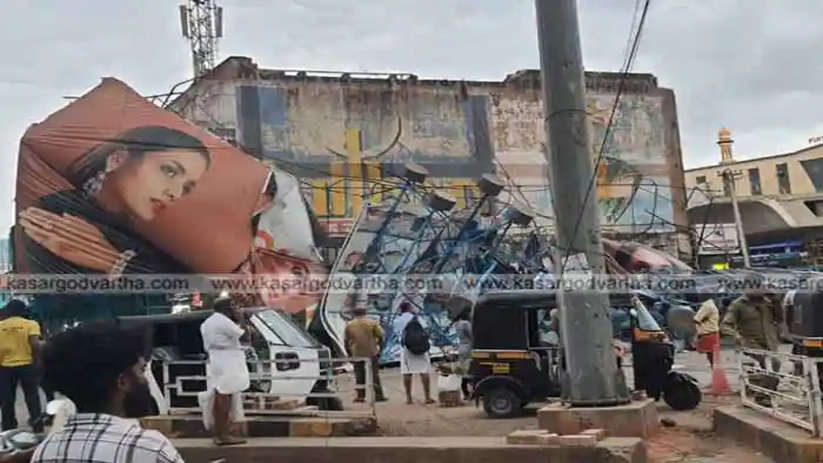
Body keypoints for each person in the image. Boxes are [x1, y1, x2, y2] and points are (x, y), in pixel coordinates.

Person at [19, 125, 211, 274]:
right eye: (169, 170)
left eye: (186, 188)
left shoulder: (159, 242)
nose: (175, 193)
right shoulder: (53, 215)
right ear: (117, 160)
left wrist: (114, 261)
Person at [30, 321, 184, 463]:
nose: (145, 380)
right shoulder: (151, 448)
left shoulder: (45, 451)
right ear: (122, 381)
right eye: (141, 370)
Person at [721, 276, 782, 404]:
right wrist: (737, 337)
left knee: (772, 368)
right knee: (774, 363)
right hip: (750, 342)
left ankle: (767, 393)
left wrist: (776, 301)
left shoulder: (768, 303)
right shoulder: (738, 304)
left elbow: (779, 319)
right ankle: (762, 395)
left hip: (770, 342)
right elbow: (725, 325)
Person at [200, 296, 249, 445]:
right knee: (224, 398)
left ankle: (220, 434)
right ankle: (223, 435)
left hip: (216, 361)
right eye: (234, 307)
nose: (236, 309)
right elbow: (245, 335)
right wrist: (241, 319)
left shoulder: (208, 322)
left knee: (219, 395)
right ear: (227, 308)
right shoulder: (224, 321)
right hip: (227, 362)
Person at [0, 299, 43, 433]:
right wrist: (37, 362)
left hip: (5, 366)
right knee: (32, 397)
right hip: (27, 365)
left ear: (8, 311)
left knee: (7, 399)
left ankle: (9, 427)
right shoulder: (31, 324)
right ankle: (37, 425)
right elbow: (35, 345)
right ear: (23, 311)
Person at [393, 301, 434, 405]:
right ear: (410, 308)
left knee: (407, 373)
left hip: (406, 348)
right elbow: (426, 330)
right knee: (424, 371)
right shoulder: (417, 318)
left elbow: (397, 333)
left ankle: (409, 398)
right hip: (420, 347)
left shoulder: (397, 320)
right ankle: (427, 397)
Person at [343, 307, 387, 403]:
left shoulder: (350, 325)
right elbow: (381, 336)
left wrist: (349, 354)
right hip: (371, 352)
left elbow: (346, 341)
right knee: (374, 375)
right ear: (365, 313)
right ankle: (379, 396)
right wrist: (380, 349)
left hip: (357, 353)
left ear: (354, 314)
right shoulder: (372, 323)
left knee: (359, 375)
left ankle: (360, 396)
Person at [693, 295, 720, 369]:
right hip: (712, 331)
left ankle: (714, 371)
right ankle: (714, 371)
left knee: (711, 355)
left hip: (708, 332)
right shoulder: (711, 304)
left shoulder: (707, 306)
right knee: (711, 355)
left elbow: (696, 319)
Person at [452, 310, 473, 401]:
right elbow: (472, 335)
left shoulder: (457, 324)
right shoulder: (466, 323)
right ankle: (470, 392)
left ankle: (465, 392)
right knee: (471, 370)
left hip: (462, 347)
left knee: (464, 370)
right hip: (469, 347)